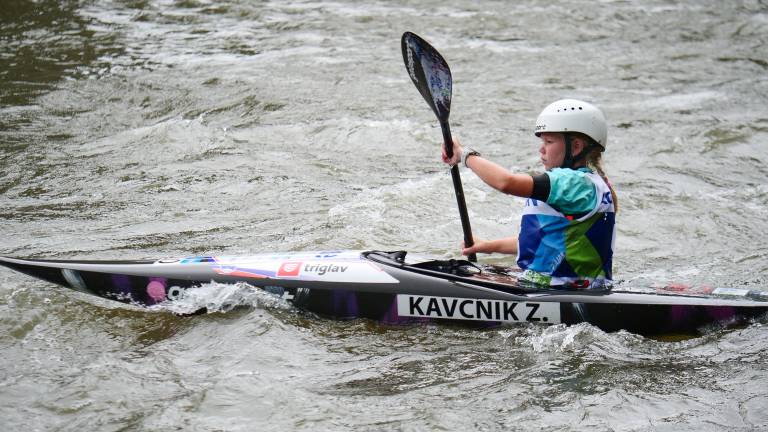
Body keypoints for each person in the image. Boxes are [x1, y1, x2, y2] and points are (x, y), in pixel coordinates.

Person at [441, 99, 617, 289]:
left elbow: (506, 182)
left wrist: (464, 155)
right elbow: (544, 241)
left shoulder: (574, 184)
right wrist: (487, 246)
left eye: (549, 141)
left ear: (576, 147)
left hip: (560, 290)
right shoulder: (584, 184)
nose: (541, 149)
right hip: (555, 285)